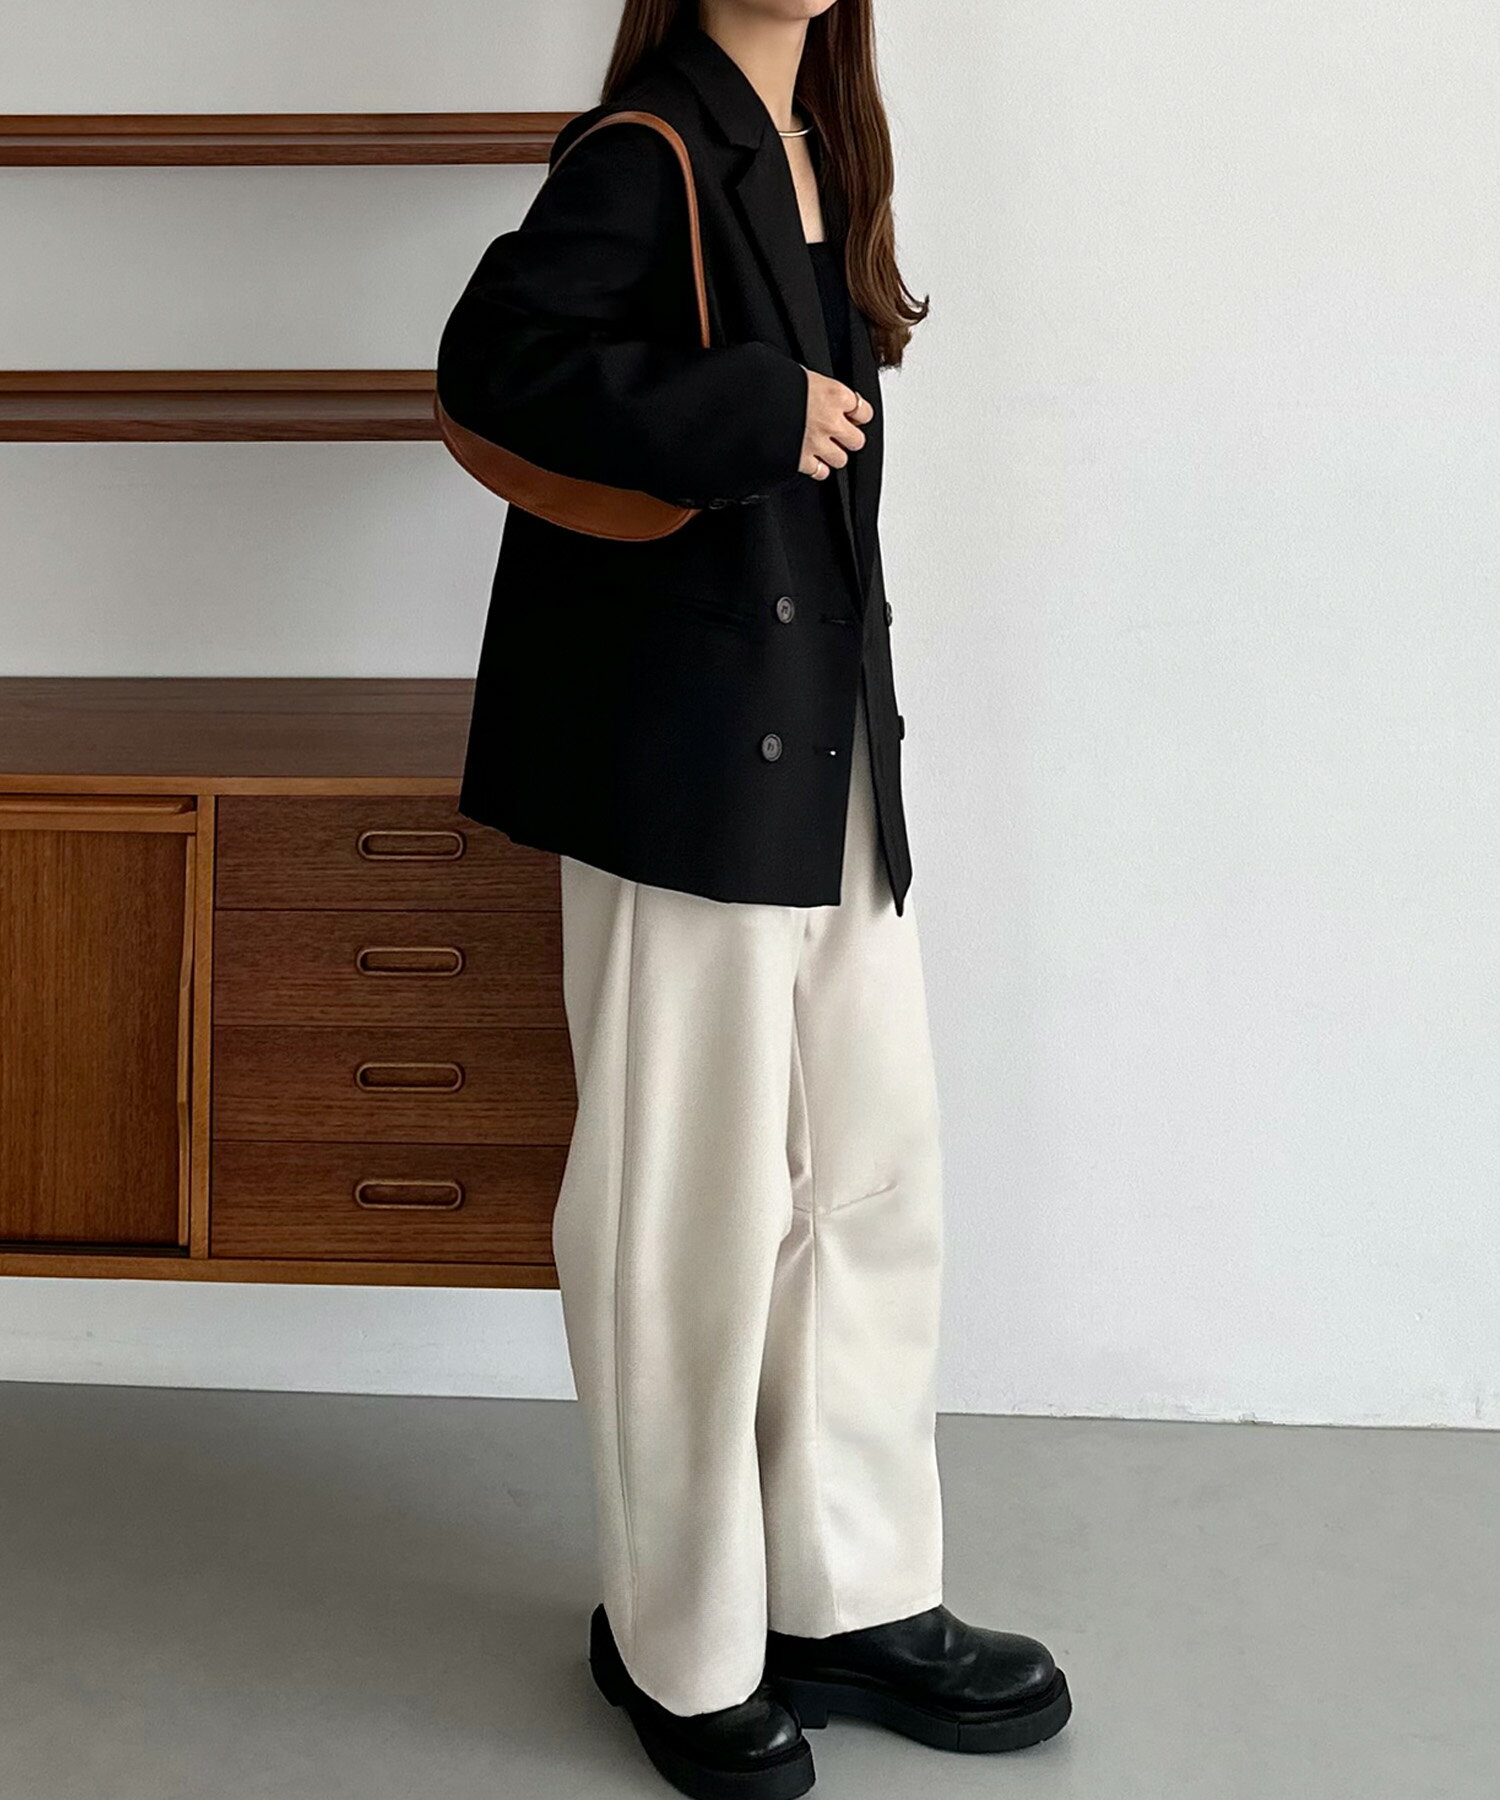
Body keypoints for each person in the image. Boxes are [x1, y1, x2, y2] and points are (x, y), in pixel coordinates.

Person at [435, 3, 1071, 1795]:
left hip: (825, 753)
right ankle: (680, 1639)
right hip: (688, 763)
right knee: (685, 1216)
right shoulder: (647, 149)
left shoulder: (824, 148)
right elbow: (493, 365)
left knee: (868, 1183)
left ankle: (844, 1594)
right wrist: (744, 411)